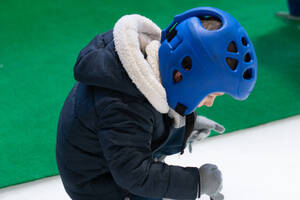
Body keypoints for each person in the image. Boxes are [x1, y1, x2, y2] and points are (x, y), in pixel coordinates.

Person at [56, 7, 257, 200]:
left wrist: (188, 123)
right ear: (183, 76)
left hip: (115, 159)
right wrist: (197, 183)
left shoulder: (150, 66)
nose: (210, 103)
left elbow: (156, 107)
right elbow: (134, 174)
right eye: (210, 95)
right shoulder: (122, 106)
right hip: (101, 186)